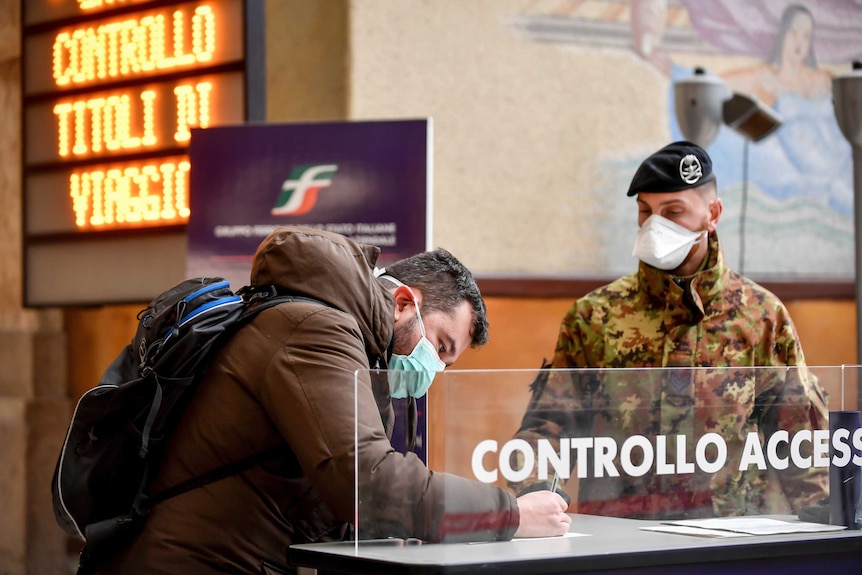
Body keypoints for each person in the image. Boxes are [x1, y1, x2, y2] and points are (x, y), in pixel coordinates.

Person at [97, 226, 570, 575]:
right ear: (404, 302)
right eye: (440, 347)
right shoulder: (316, 332)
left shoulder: (343, 338)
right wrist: (508, 514)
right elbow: (366, 480)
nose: (436, 369)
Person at [509, 141, 829, 520]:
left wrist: (826, 522)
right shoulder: (595, 316)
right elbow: (549, 427)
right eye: (645, 211)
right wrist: (539, 495)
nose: (654, 225)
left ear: (713, 214)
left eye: (673, 211)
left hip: (730, 539)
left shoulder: (760, 316)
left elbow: (800, 439)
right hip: (621, 536)